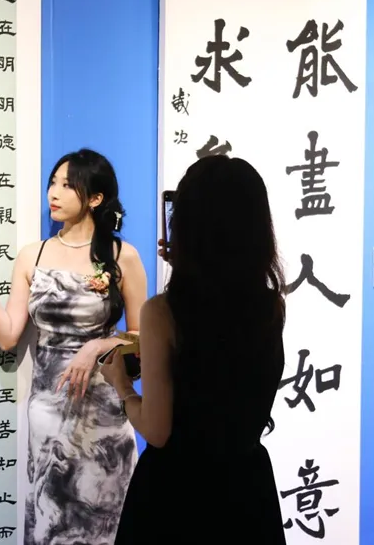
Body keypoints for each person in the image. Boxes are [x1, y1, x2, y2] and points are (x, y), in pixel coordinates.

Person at [0, 148, 147, 544]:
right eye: (53, 182)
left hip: (104, 418)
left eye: (68, 185)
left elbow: (140, 337)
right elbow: (8, 336)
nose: (53, 192)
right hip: (48, 417)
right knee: (51, 523)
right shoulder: (32, 255)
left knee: (107, 522)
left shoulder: (123, 257)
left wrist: (97, 346)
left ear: (95, 198)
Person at [101, 155, 288, 544]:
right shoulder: (270, 306)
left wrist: (122, 386)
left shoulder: (163, 313)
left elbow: (158, 431)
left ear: (184, 226)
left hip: (176, 497)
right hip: (246, 493)